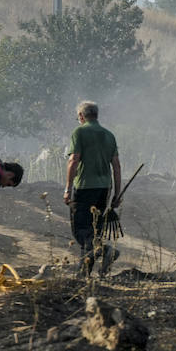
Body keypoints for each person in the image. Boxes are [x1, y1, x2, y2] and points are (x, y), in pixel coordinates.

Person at [63, 100, 122, 275]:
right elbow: (116, 166)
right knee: (94, 229)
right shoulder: (109, 135)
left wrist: (67, 188)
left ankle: (104, 251)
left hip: (84, 187)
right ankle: (83, 272)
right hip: (104, 189)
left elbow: (73, 160)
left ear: (81, 116)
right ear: (96, 115)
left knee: (81, 230)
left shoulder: (79, 132)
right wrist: (117, 194)